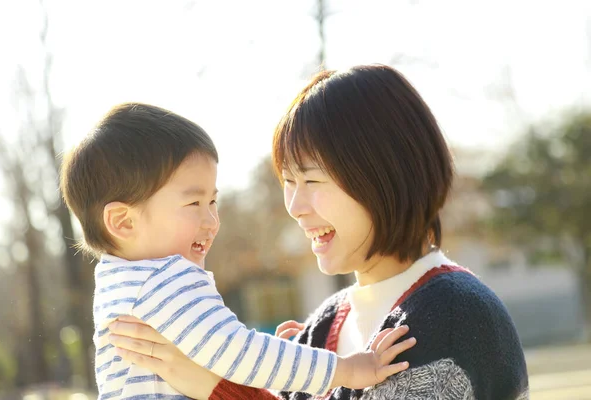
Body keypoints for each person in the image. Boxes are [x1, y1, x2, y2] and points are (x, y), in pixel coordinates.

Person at [108, 65, 530, 399]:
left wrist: (214, 388)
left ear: (385, 175)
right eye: (288, 183)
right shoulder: (322, 327)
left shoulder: (450, 314)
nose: (295, 206)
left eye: (312, 181)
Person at [59, 102, 415, 400]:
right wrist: (348, 369)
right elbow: (241, 353)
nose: (211, 220)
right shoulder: (167, 277)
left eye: (213, 200)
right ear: (123, 221)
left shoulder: (118, 284)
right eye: (194, 203)